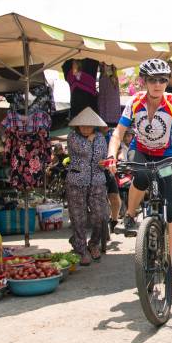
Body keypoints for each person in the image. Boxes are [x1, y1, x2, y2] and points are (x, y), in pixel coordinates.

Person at [104, 59, 172, 265]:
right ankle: (129, 215)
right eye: (152, 79)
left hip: (165, 157)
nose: (158, 84)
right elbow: (118, 134)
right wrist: (112, 155)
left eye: (163, 80)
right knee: (141, 174)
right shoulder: (135, 102)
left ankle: (169, 261)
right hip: (140, 152)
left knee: (170, 211)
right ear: (144, 81)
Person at [66, 108, 111, 265]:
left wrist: (104, 164)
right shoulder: (72, 137)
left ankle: (94, 243)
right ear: (77, 126)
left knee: (100, 215)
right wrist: (90, 140)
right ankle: (81, 248)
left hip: (97, 180)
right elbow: (83, 150)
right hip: (76, 181)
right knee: (78, 217)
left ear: (94, 126)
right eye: (82, 126)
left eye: (89, 126)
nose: (85, 128)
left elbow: (103, 156)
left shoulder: (100, 137)